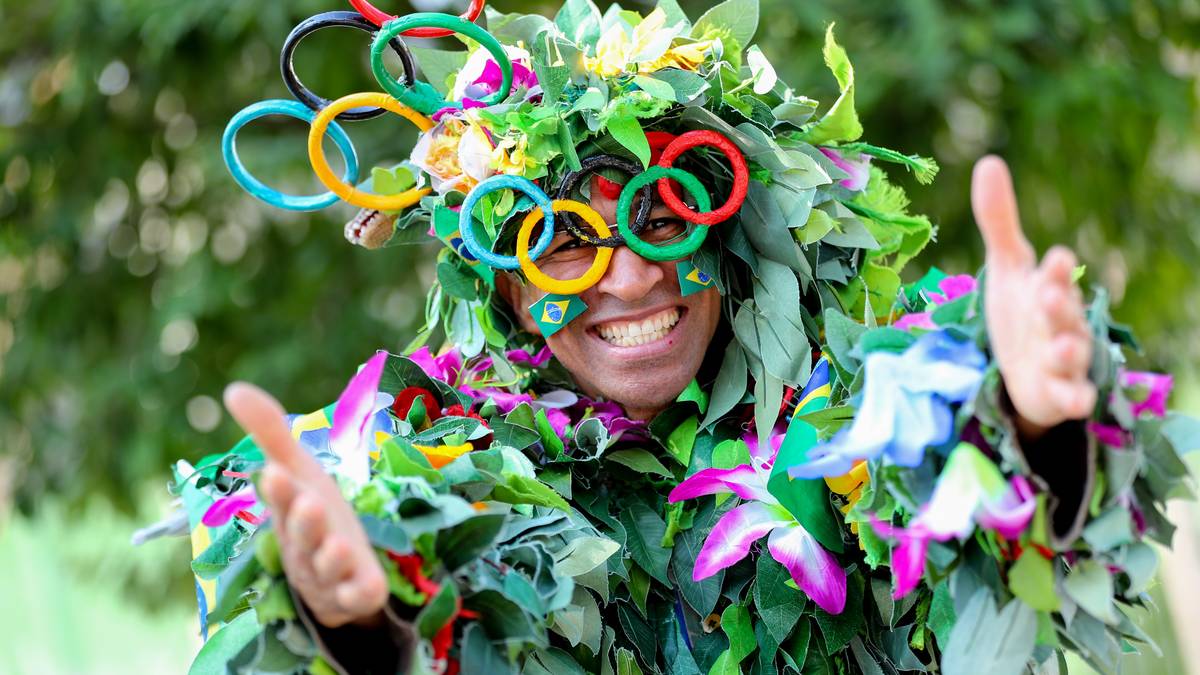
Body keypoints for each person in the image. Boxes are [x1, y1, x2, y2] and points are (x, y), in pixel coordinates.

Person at [167, 1, 1192, 673]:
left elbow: (999, 570)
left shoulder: (860, 425)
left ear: (730, 223)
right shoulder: (459, 481)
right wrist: (366, 628)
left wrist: (1037, 428)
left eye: (663, 215)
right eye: (560, 240)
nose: (633, 272)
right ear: (510, 299)